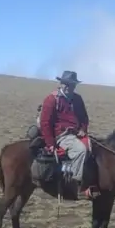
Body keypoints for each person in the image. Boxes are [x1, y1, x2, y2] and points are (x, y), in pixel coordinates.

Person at [38, 70, 100, 198]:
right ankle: (77, 185)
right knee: (81, 150)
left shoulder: (77, 99)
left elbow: (84, 118)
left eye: (70, 84)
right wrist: (50, 144)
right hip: (61, 135)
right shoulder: (51, 100)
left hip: (77, 133)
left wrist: (83, 128)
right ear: (61, 83)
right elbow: (45, 123)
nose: (67, 86)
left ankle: (93, 182)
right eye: (65, 83)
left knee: (96, 148)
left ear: (74, 86)